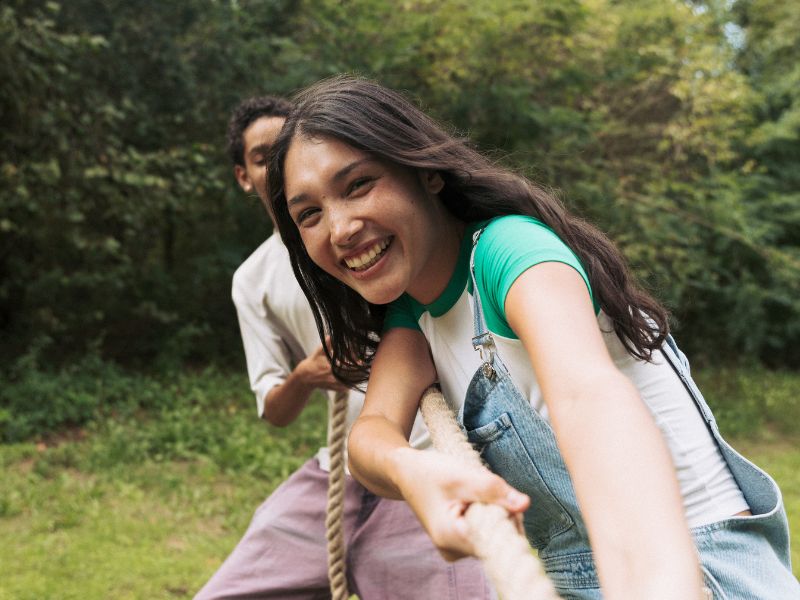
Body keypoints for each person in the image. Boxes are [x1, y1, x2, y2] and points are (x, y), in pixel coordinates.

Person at [265, 76, 800, 599]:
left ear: (423, 172)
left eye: (358, 185)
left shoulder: (509, 251)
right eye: (309, 213)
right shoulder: (412, 314)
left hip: (692, 570)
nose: (339, 228)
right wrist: (413, 472)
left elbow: (586, 393)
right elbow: (372, 432)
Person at [193, 96, 494, 599]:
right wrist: (308, 374)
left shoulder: (380, 241)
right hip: (338, 471)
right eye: (263, 157)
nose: (341, 229)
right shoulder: (259, 278)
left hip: (424, 459)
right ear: (243, 176)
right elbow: (273, 409)